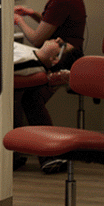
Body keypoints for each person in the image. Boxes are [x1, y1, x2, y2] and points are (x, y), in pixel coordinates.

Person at [12, 39, 73, 174]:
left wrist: (47, 79)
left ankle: (48, 154)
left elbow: (0, 74)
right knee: (28, 100)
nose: (57, 39)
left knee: (29, 100)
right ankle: (46, 155)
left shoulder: (30, 64)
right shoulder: (32, 54)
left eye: (60, 45)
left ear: (54, 59)